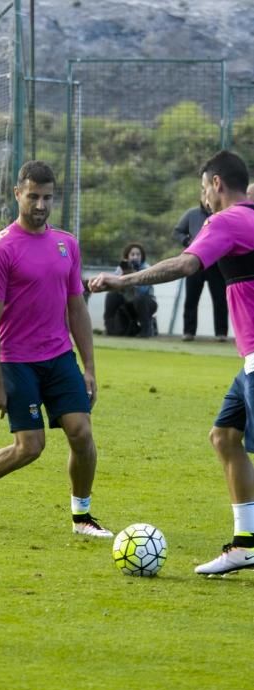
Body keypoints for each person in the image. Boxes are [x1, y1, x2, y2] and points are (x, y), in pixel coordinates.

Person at [89, 149, 254, 575]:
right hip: (248, 360)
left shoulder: (227, 221)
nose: (203, 197)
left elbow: (184, 263)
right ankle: (245, 543)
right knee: (224, 437)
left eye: (203, 187)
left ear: (216, 183)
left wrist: (122, 279)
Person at [0, 160, 112, 538]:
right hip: (17, 362)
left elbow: (76, 308)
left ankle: (82, 517)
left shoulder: (67, 244)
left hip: (60, 356)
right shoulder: (1, 249)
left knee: (81, 433)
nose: (41, 205)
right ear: (17, 194)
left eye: (48, 197)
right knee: (29, 447)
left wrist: (90, 367)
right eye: (33, 196)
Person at [172, 199, 228, 341]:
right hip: (194, 262)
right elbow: (177, 231)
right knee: (191, 298)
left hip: (216, 263)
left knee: (220, 299)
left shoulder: (222, 214)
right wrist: (186, 241)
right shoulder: (192, 214)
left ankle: (221, 333)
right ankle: (189, 332)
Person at [103, 242, 158, 338]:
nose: (135, 257)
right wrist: (122, 276)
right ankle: (110, 329)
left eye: (138, 254)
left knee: (140, 299)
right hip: (127, 302)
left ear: (142, 256)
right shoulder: (121, 268)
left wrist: (133, 276)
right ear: (127, 256)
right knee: (111, 296)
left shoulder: (146, 269)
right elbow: (114, 286)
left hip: (146, 302)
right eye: (132, 254)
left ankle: (146, 331)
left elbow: (143, 291)